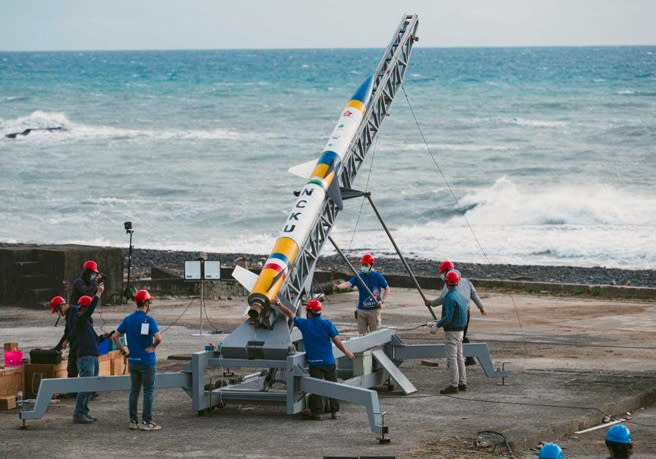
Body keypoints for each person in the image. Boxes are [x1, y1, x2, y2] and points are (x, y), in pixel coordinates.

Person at [276, 298, 355, 420]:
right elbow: (337, 341)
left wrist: (278, 303)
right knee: (333, 386)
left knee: (316, 387)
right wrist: (347, 353)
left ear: (309, 313)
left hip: (314, 363)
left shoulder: (305, 324)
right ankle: (334, 411)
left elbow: (290, 314)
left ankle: (317, 412)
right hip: (329, 361)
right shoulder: (327, 324)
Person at [110, 289, 163, 431]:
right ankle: (147, 422)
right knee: (148, 391)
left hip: (133, 360)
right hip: (147, 361)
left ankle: (133, 421)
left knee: (134, 391)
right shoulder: (149, 320)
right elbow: (159, 338)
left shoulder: (128, 319)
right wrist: (152, 347)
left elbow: (114, 336)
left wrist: (123, 351)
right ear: (146, 302)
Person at [425, 260, 487, 366]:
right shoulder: (467, 281)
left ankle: (455, 360)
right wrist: (481, 307)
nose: (442, 276)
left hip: (454, 313)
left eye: (442, 273)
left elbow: (442, 299)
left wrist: (431, 303)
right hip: (466, 313)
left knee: (454, 336)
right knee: (461, 335)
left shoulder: (449, 283)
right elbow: (474, 295)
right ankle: (468, 358)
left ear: (446, 271)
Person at [68, 283, 106, 424]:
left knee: (90, 387)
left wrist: (104, 337)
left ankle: (84, 412)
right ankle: (78, 413)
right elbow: (89, 311)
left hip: (92, 356)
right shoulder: (80, 319)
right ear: (85, 307)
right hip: (86, 357)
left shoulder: (86, 323)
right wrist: (98, 294)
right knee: (85, 386)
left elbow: (95, 339)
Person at [427, 270, 468, 394]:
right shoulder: (461, 296)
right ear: (457, 283)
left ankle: (454, 385)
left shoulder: (450, 297)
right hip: (461, 331)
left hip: (452, 332)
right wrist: (437, 322)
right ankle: (462, 382)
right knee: (460, 357)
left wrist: (437, 325)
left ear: (446, 283)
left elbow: (449, 317)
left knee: (452, 359)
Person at [333, 253, 390, 335]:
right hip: (361, 309)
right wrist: (339, 286)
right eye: (362, 264)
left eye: (365, 264)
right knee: (361, 334)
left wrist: (382, 301)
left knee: (375, 334)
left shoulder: (377, 276)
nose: (363, 266)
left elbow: (387, 288)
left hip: (374, 309)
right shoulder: (359, 276)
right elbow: (348, 283)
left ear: (371, 265)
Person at [50, 296, 79, 378]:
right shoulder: (69, 314)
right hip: (75, 345)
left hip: (81, 345)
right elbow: (67, 333)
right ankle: (72, 390)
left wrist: (67, 340)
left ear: (61, 306)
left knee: (74, 370)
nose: (58, 313)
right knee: (71, 370)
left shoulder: (75, 311)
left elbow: (75, 329)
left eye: (57, 310)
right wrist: (55, 350)